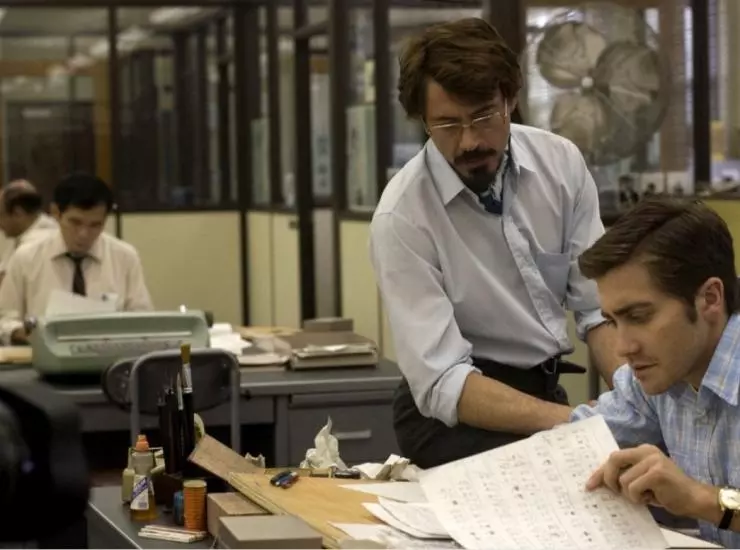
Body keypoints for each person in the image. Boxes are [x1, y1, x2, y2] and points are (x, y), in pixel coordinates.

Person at [369, 17, 621, 469]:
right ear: (423, 120)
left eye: (484, 116)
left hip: (543, 395)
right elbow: (443, 380)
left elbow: (599, 309)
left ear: (511, 99)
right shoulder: (402, 216)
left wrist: (636, 405)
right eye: (447, 124)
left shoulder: (559, 165)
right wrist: (575, 422)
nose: (469, 141)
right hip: (454, 418)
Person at [571, 198, 740, 548]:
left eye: (639, 317)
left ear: (710, 298)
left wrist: (699, 499)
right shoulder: (655, 375)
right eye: (612, 321)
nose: (622, 347)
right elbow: (577, 441)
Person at [0, 173, 153, 345]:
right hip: (43, 355)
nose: (83, 234)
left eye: (95, 225)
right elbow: (5, 320)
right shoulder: (26, 257)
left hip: (108, 356)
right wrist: (24, 333)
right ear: (56, 213)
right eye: (75, 222)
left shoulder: (124, 257)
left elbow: (142, 319)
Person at [0, 179, 57, 284]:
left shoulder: (45, 240)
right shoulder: (19, 232)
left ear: (18, 214)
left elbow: (8, 283)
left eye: (1, 215)